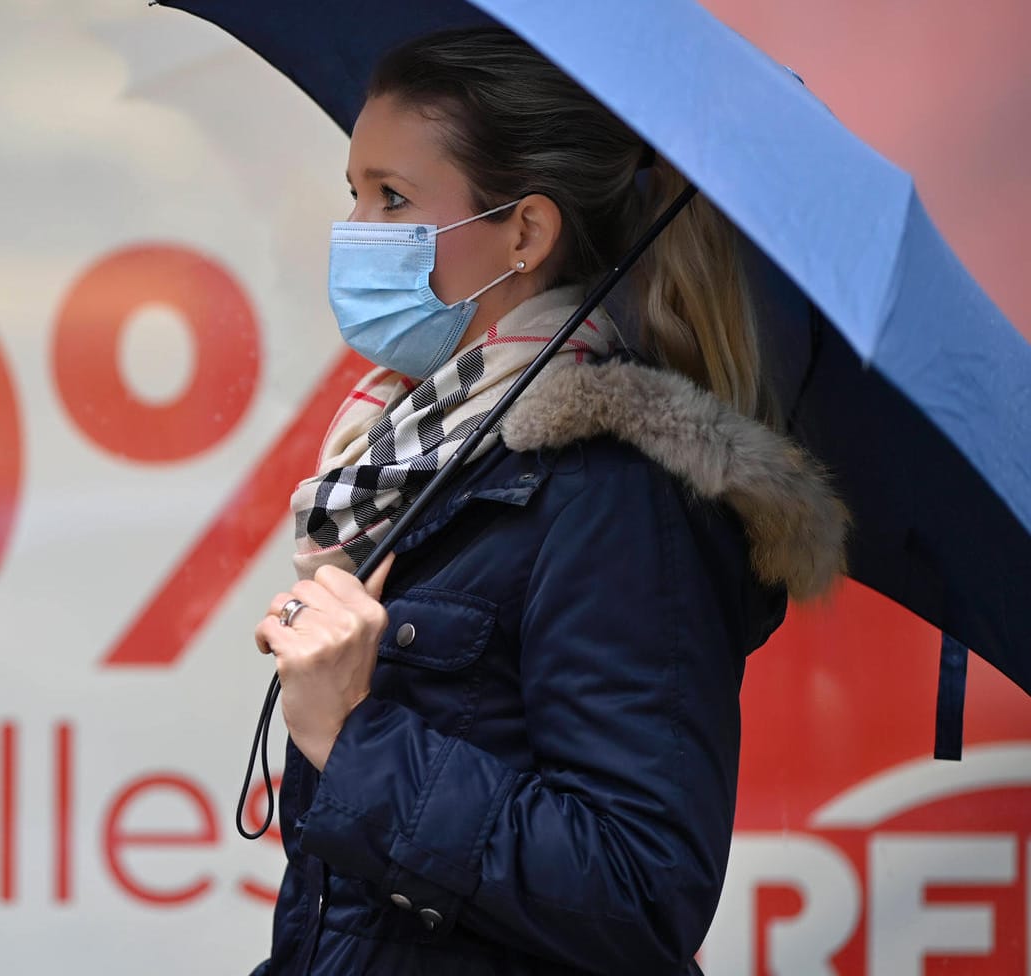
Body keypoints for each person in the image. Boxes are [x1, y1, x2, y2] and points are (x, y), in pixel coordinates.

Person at [248, 26, 848, 976]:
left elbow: (641, 887)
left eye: (393, 198)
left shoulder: (616, 494)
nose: (357, 230)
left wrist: (356, 733)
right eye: (353, 192)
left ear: (524, 233)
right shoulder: (419, 454)